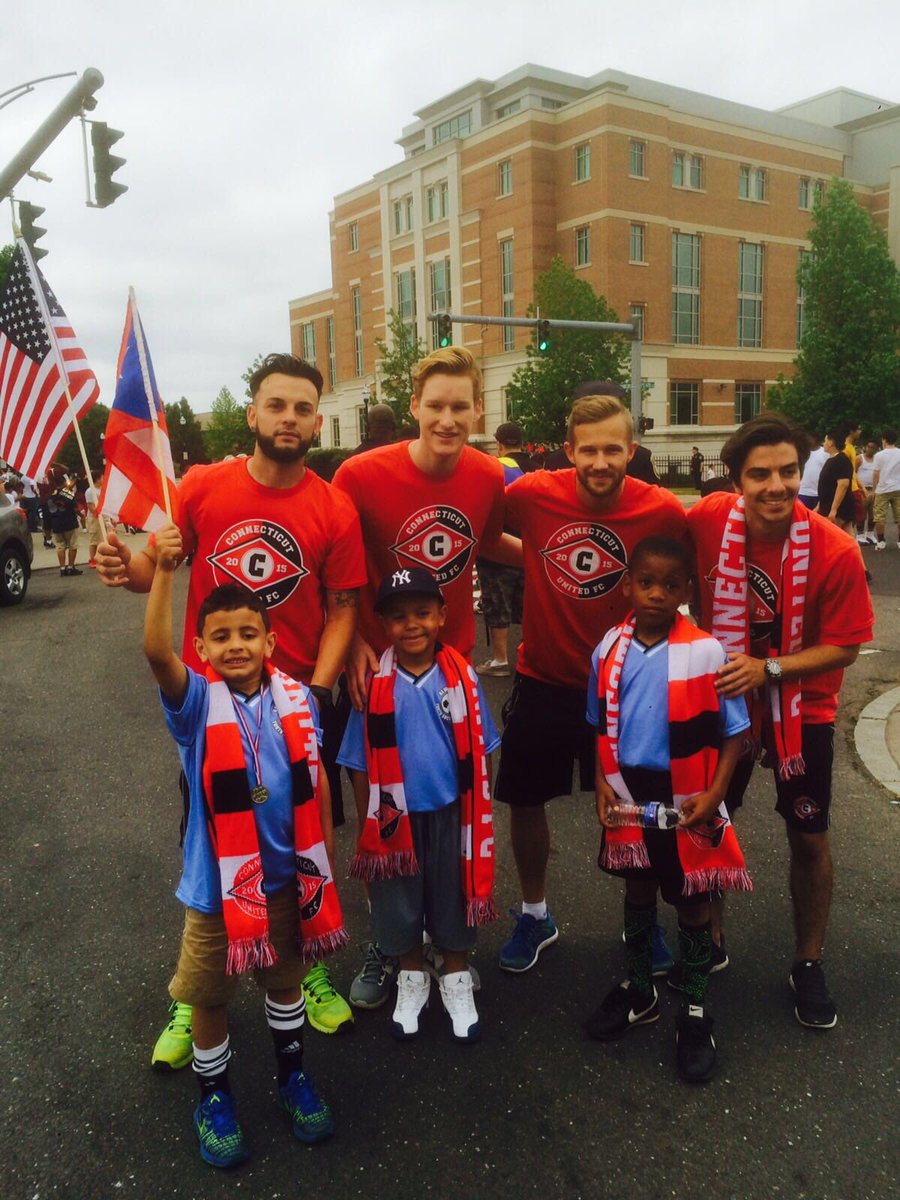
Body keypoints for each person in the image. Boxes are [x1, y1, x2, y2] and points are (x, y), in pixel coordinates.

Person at [96, 352, 366, 1057]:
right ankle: (199, 990)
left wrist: (317, 690)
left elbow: (343, 609)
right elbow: (157, 565)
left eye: (303, 408)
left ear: (315, 420)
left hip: (298, 703)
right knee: (210, 844)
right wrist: (130, 565)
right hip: (214, 708)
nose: (289, 419)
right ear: (252, 413)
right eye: (276, 405)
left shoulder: (334, 505)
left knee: (308, 835)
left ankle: (301, 969)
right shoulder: (202, 485)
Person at [144, 539, 344, 1168]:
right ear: (200, 649)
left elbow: (318, 789)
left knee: (285, 986)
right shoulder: (197, 705)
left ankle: (291, 1081)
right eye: (220, 636)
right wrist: (166, 573)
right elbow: (155, 651)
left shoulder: (301, 702)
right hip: (217, 892)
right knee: (209, 996)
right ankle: (215, 1097)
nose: (235, 645)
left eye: (248, 633)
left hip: (288, 882)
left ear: (271, 641)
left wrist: (325, 867)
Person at [332, 346, 510, 1009]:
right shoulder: (359, 474)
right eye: (435, 405)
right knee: (385, 823)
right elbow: (336, 561)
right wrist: (347, 640)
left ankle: (451, 947)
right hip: (375, 677)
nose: (447, 417)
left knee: (454, 822)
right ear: (414, 407)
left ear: (477, 408)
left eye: (459, 405)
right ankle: (390, 945)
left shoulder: (489, 474)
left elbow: (489, 541)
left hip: (451, 676)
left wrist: (553, 563)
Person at [688, 413, 873, 1029]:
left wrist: (768, 670)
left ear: (803, 471)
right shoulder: (709, 519)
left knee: (810, 836)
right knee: (710, 820)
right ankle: (708, 935)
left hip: (803, 708)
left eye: (789, 471)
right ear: (735, 480)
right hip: (725, 703)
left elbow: (846, 644)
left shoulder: (836, 548)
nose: (777, 486)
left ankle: (809, 961)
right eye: (760, 474)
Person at [494, 389, 687, 974]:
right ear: (567, 453)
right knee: (526, 800)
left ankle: (643, 923)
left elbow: (686, 581)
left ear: (631, 450)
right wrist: (533, 557)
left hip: (627, 688)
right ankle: (534, 913)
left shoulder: (662, 510)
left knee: (638, 808)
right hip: (545, 679)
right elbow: (478, 533)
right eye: (588, 451)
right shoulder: (530, 492)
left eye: (612, 449)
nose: (600, 462)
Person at [585, 537, 751, 1082]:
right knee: (637, 889)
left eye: (670, 585)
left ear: (686, 591)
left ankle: (696, 1009)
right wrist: (602, 785)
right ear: (627, 584)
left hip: (690, 796)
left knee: (693, 901)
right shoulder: (609, 647)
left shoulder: (707, 651)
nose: (657, 594)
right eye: (646, 582)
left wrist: (717, 795)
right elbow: (598, 723)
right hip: (630, 792)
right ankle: (639, 989)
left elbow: (734, 733)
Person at [338, 568, 500, 1042]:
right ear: (384, 624)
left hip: (453, 814)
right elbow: (359, 762)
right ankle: (410, 978)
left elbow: (483, 748)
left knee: (452, 895)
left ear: (442, 616)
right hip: (393, 820)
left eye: (423, 614)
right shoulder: (373, 685)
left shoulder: (462, 678)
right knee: (400, 903)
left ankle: (454, 977)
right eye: (399, 616)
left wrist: (480, 813)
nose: (412, 625)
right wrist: (371, 820)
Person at [475, 421, 528, 678]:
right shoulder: (536, 467)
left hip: (498, 547)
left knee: (497, 605)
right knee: (528, 606)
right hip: (527, 546)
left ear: (499, 444)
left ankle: (500, 659)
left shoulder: (495, 468)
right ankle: (529, 652)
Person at [816, 425, 854, 531]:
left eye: (825, 441)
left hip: (840, 508)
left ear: (831, 442)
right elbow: (827, 485)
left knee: (838, 537)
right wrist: (819, 505)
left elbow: (843, 485)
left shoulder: (841, 460)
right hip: (827, 505)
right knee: (845, 536)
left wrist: (834, 509)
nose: (824, 444)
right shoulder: (831, 459)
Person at [47, 469, 83, 577]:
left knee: (60, 546)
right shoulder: (67, 493)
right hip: (70, 522)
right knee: (72, 546)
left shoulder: (51, 495)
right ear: (63, 482)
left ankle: (62, 568)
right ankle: (71, 567)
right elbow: (75, 507)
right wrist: (81, 515)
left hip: (56, 523)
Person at [872, 428, 900, 551]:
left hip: (882, 489)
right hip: (898, 488)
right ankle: (899, 541)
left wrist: (874, 489)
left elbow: (876, 474)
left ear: (884, 439)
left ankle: (881, 541)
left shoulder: (879, 455)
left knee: (879, 517)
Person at [855, 439, 878, 544]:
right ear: (865, 447)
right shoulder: (859, 458)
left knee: (873, 514)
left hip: (873, 490)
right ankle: (859, 534)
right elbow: (853, 473)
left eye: (873, 447)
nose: (870, 449)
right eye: (868, 447)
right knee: (861, 513)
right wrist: (860, 487)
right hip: (861, 489)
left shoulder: (877, 460)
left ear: (876, 449)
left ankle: (870, 534)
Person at [798, 434, 828, 509]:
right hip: (802, 492)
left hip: (819, 494)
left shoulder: (825, 453)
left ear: (815, 439)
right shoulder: (801, 452)